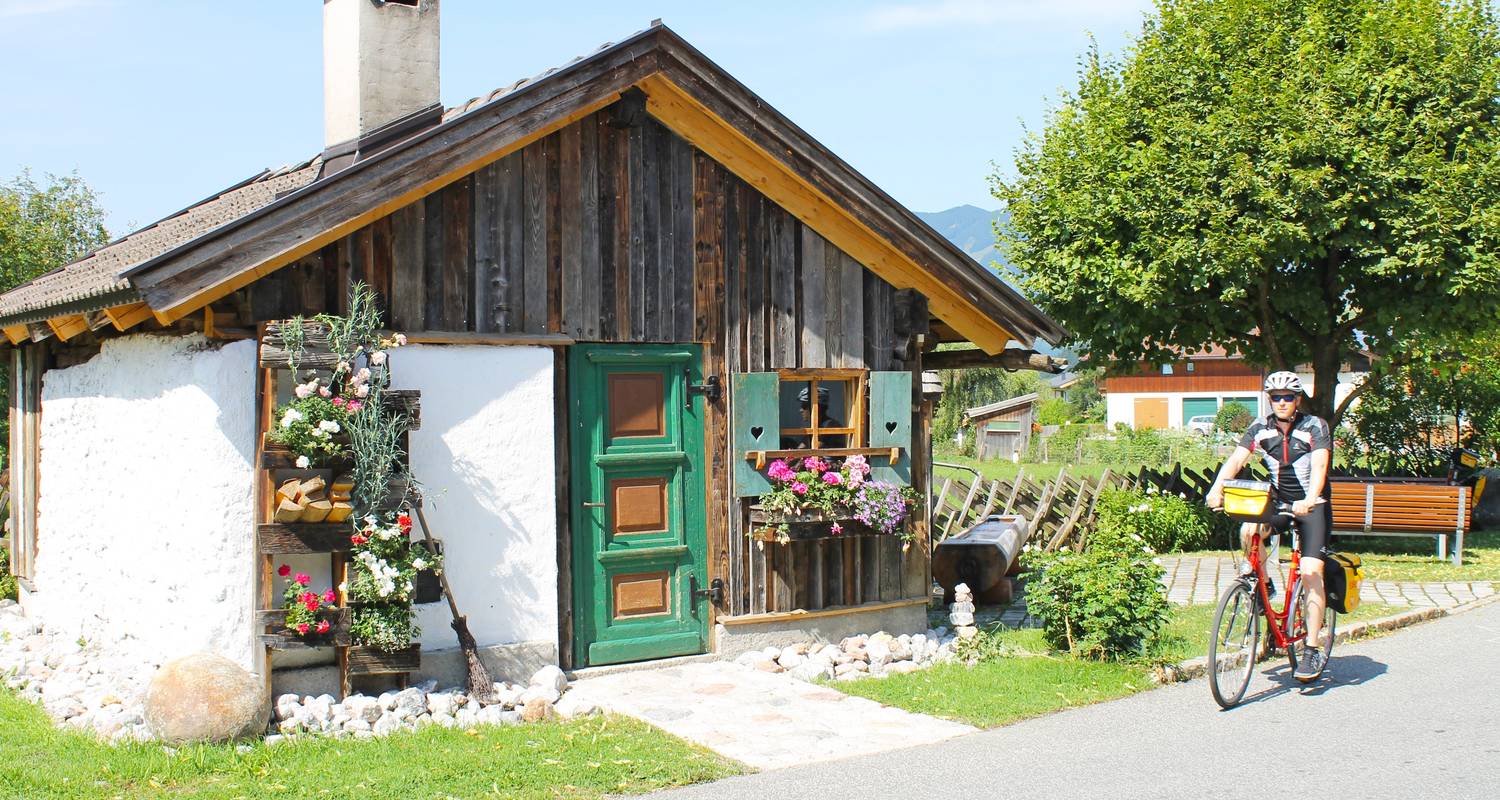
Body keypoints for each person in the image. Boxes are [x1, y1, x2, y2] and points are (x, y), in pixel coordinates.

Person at [1205, 371, 1334, 682]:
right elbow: (1235, 460)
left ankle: (1312, 649)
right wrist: (1216, 489)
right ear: (1269, 400)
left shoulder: (1315, 427)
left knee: (1311, 571)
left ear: (1297, 400)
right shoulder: (1260, 428)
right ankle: (1262, 584)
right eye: (1275, 397)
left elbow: (1319, 466)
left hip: (1311, 505)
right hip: (1279, 500)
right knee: (1249, 530)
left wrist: (1311, 498)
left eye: (1287, 397)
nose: (1281, 402)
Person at [780, 386, 847, 449]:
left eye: (804, 406)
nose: (801, 410)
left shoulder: (830, 426)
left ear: (817, 408)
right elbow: (801, 449)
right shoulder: (816, 426)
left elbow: (810, 449)